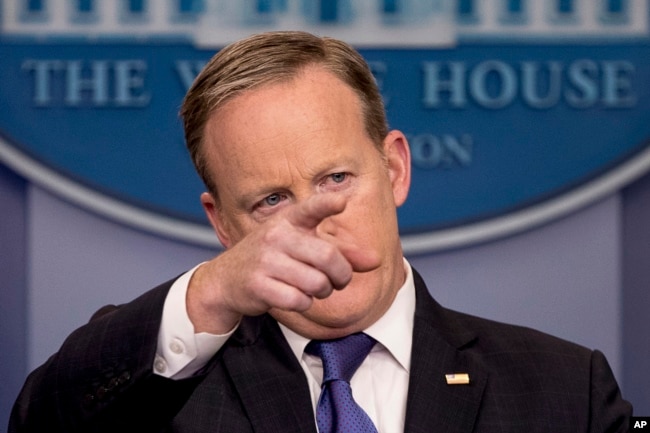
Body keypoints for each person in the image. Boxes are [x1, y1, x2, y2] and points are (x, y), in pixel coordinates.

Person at [9, 30, 631, 433]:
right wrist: (208, 296)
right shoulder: (165, 384)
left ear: (394, 169)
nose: (315, 223)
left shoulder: (564, 391)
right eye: (271, 200)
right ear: (222, 225)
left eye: (335, 178)